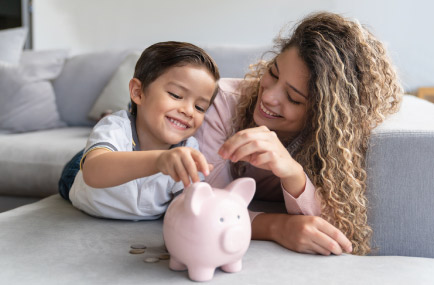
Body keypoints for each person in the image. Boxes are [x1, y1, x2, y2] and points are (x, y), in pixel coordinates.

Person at [194, 12, 403, 256]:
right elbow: (206, 206)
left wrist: (293, 172)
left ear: (322, 115)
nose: (269, 96)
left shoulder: (337, 141)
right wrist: (277, 226)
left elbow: (341, 224)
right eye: (273, 73)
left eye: (293, 98)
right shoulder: (221, 104)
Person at [60, 41, 220, 220]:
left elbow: (189, 206)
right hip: (81, 176)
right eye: (175, 95)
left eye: (200, 107)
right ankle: (106, 127)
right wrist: (159, 160)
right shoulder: (116, 128)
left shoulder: (188, 149)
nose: (188, 111)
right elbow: (93, 172)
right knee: (94, 150)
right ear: (138, 92)